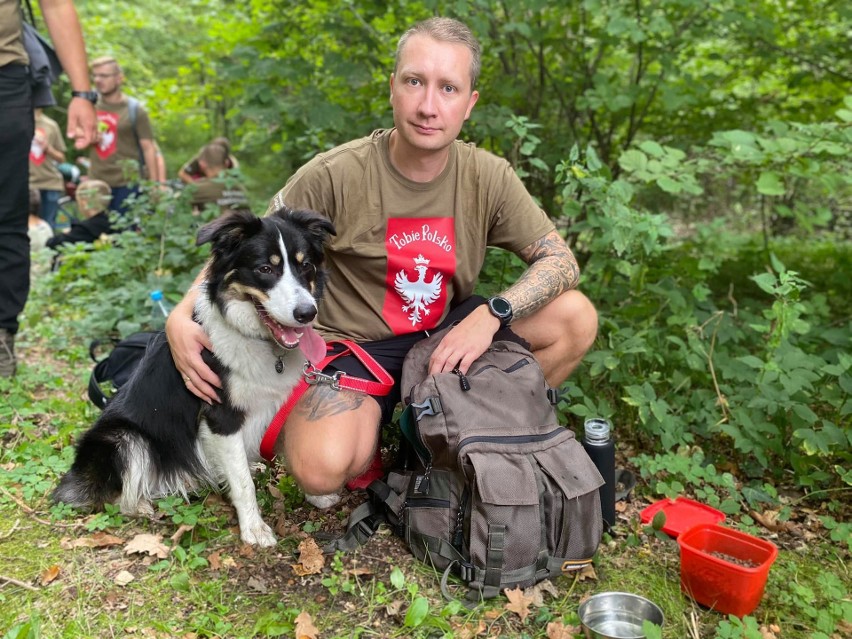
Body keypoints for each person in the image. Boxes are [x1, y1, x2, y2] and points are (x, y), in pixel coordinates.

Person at [165, 17, 597, 503]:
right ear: (393, 87)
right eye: (415, 82)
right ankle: (389, 431)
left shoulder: (488, 176)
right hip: (356, 348)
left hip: (446, 334)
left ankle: (471, 435)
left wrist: (492, 315)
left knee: (575, 318)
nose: (429, 105)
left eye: (448, 88)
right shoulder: (336, 173)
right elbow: (251, 248)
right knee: (320, 470)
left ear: (470, 103)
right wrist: (181, 316)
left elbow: (560, 261)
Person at [0, 0, 97, 377]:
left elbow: (56, 4)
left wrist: (82, 94)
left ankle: (2, 336)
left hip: (5, 77)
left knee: (6, 214)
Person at [88, 55, 163, 215]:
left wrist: (154, 185)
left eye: (104, 75)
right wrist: (90, 137)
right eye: (95, 75)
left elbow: (149, 148)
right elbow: (77, 140)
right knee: (97, 236)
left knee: (124, 234)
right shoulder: (89, 106)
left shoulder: (135, 110)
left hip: (128, 184)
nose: (98, 80)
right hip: (97, 182)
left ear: (119, 78)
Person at [46, 179, 113, 250]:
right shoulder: (116, 224)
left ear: (84, 203)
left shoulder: (84, 230)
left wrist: (66, 233)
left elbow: (52, 243)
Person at [29, 108, 67, 229]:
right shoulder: (17, 121)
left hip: (50, 183)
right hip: (28, 183)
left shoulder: (51, 125)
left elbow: (62, 158)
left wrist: (48, 149)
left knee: (48, 227)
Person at [187, 142, 250, 214]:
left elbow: (176, 207)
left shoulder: (197, 188)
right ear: (226, 163)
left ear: (202, 164)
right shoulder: (240, 187)